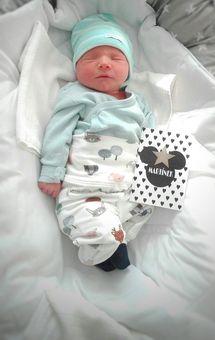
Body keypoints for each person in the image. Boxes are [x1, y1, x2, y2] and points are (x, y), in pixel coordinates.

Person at [38, 13, 155, 271]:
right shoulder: (77, 95)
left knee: (144, 208)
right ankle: (105, 244)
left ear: (129, 68)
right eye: (91, 58)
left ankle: (115, 239)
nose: (103, 64)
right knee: (87, 217)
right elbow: (58, 133)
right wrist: (51, 171)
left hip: (125, 186)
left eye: (115, 58)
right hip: (85, 187)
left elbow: (152, 143)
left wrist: (156, 179)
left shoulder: (140, 104)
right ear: (76, 67)